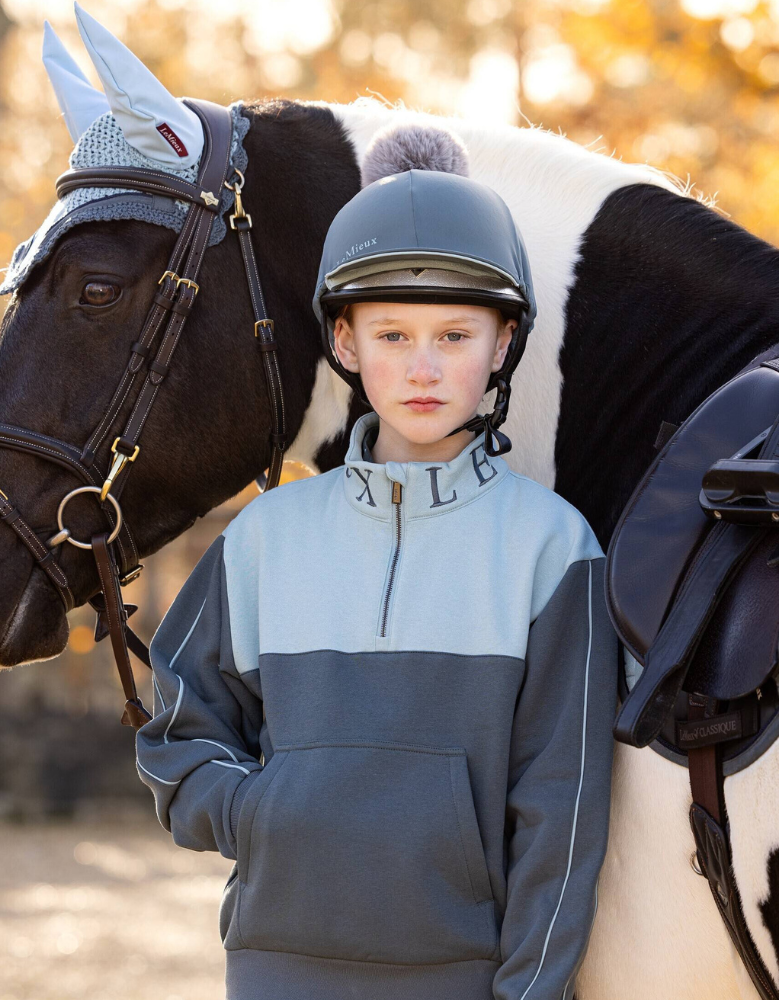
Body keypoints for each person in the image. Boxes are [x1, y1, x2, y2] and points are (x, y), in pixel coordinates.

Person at [135, 120, 619, 1000]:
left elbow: (564, 813)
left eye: (455, 335)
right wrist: (263, 812)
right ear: (346, 346)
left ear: (503, 345)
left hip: (459, 979)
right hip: (275, 972)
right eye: (392, 335)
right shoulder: (265, 538)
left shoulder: (553, 550)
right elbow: (177, 729)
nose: (424, 366)